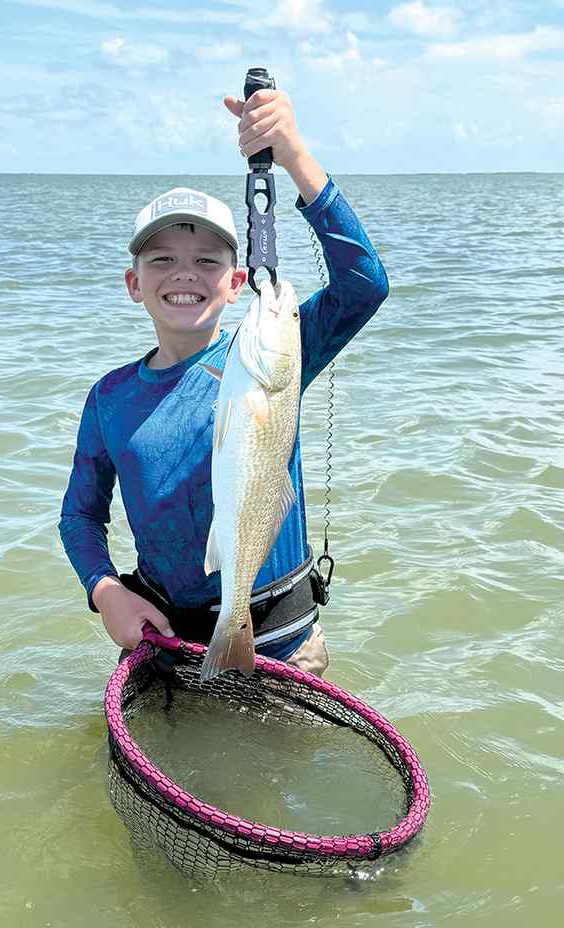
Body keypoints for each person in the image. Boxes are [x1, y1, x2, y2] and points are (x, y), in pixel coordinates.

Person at [59, 89, 389, 677]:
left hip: (282, 641)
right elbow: (80, 516)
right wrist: (105, 591)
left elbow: (364, 284)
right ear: (134, 284)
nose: (185, 273)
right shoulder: (111, 399)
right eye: (161, 260)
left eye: (207, 260)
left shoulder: (274, 353)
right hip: (162, 639)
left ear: (237, 283)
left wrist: (293, 155)